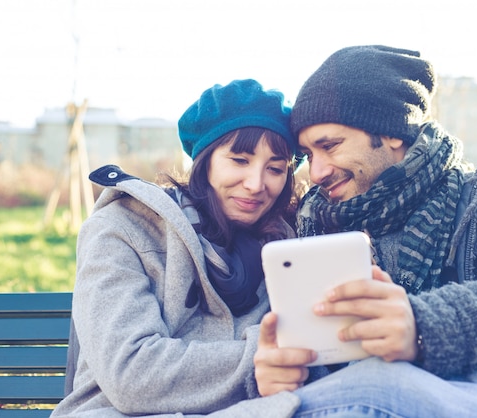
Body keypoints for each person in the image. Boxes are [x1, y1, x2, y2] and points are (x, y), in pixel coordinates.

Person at [254, 45, 477, 417]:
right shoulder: (313, 228)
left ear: (392, 133)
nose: (316, 172)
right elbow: (327, 362)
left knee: (382, 381)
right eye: (309, 156)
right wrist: (281, 377)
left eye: (329, 146)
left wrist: (422, 326)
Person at [51, 79, 311, 417]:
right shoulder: (122, 227)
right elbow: (131, 374)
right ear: (204, 161)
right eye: (239, 160)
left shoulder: (289, 247)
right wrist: (259, 360)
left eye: (275, 169)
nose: (256, 184)